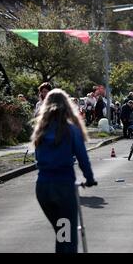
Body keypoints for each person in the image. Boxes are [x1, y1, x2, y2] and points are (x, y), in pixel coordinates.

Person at [32, 89, 97, 253]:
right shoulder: (71, 130)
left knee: (62, 233)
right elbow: (83, 158)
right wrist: (89, 179)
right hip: (63, 187)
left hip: (43, 188)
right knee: (67, 237)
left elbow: (38, 157)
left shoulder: (40, 130)